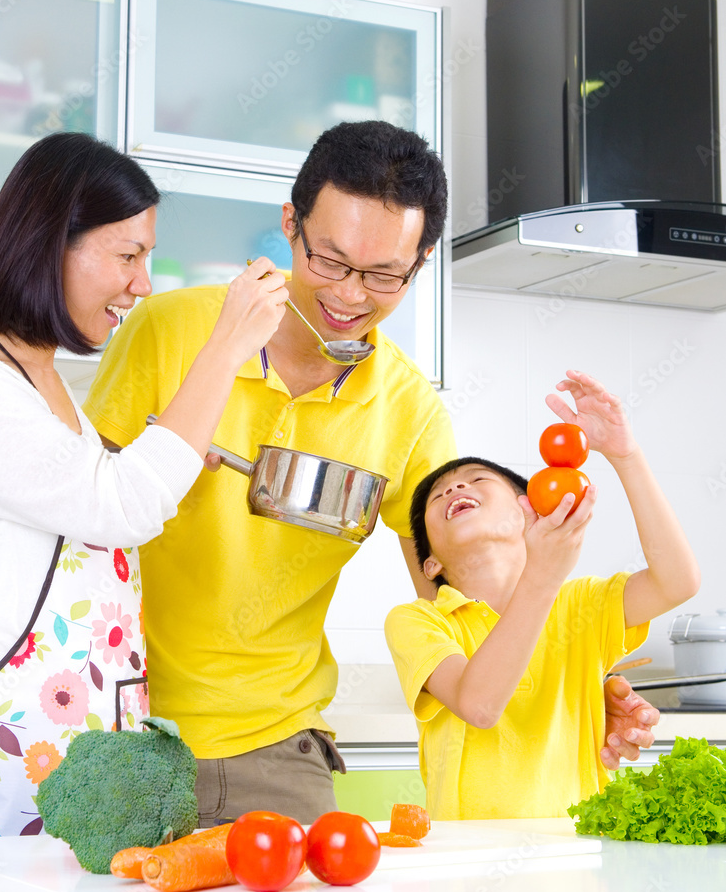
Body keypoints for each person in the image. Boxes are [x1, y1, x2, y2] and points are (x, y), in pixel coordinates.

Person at [83, 123, 661, 824]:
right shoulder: (169, 330)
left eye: (385, 274)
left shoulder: (409, 412)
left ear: (419, 263)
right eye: (330, 260)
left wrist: (568, 685)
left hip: (281, 747)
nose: (351, 296)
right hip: (121, 728)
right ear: (291, 226)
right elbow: (82, 527)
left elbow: (461, 604)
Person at [0, 132, 287, 841]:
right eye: (128, 255)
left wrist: (160, 453)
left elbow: (96, 494)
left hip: (74, 771)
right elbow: (118, 507)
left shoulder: (51, 390)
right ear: (51, 244)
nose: (143, 284)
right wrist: (227, 344)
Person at [384, 371, 700, 820]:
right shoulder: (420, 621)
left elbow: (678, 581)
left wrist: (624, 455)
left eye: (478, 479)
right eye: (438, 496)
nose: (456, 486)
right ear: (430, 563)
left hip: (577, 850)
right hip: (467, 859)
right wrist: (543, 576)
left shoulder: (581, 604)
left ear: (527, 511)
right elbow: (480, 705)